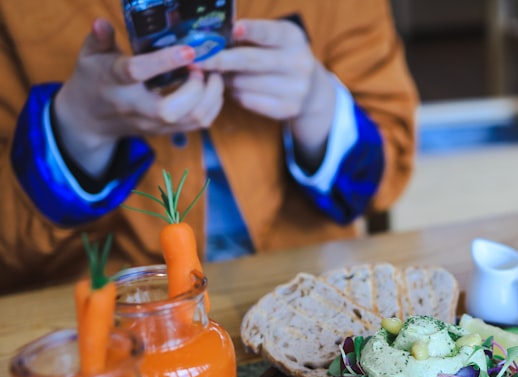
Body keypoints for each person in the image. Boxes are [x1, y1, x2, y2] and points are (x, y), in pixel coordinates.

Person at [0, 1, 418, 293]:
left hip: (305, 286)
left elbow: (390, 169)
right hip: (103, 310)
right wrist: (75, 128)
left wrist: (317, 102)